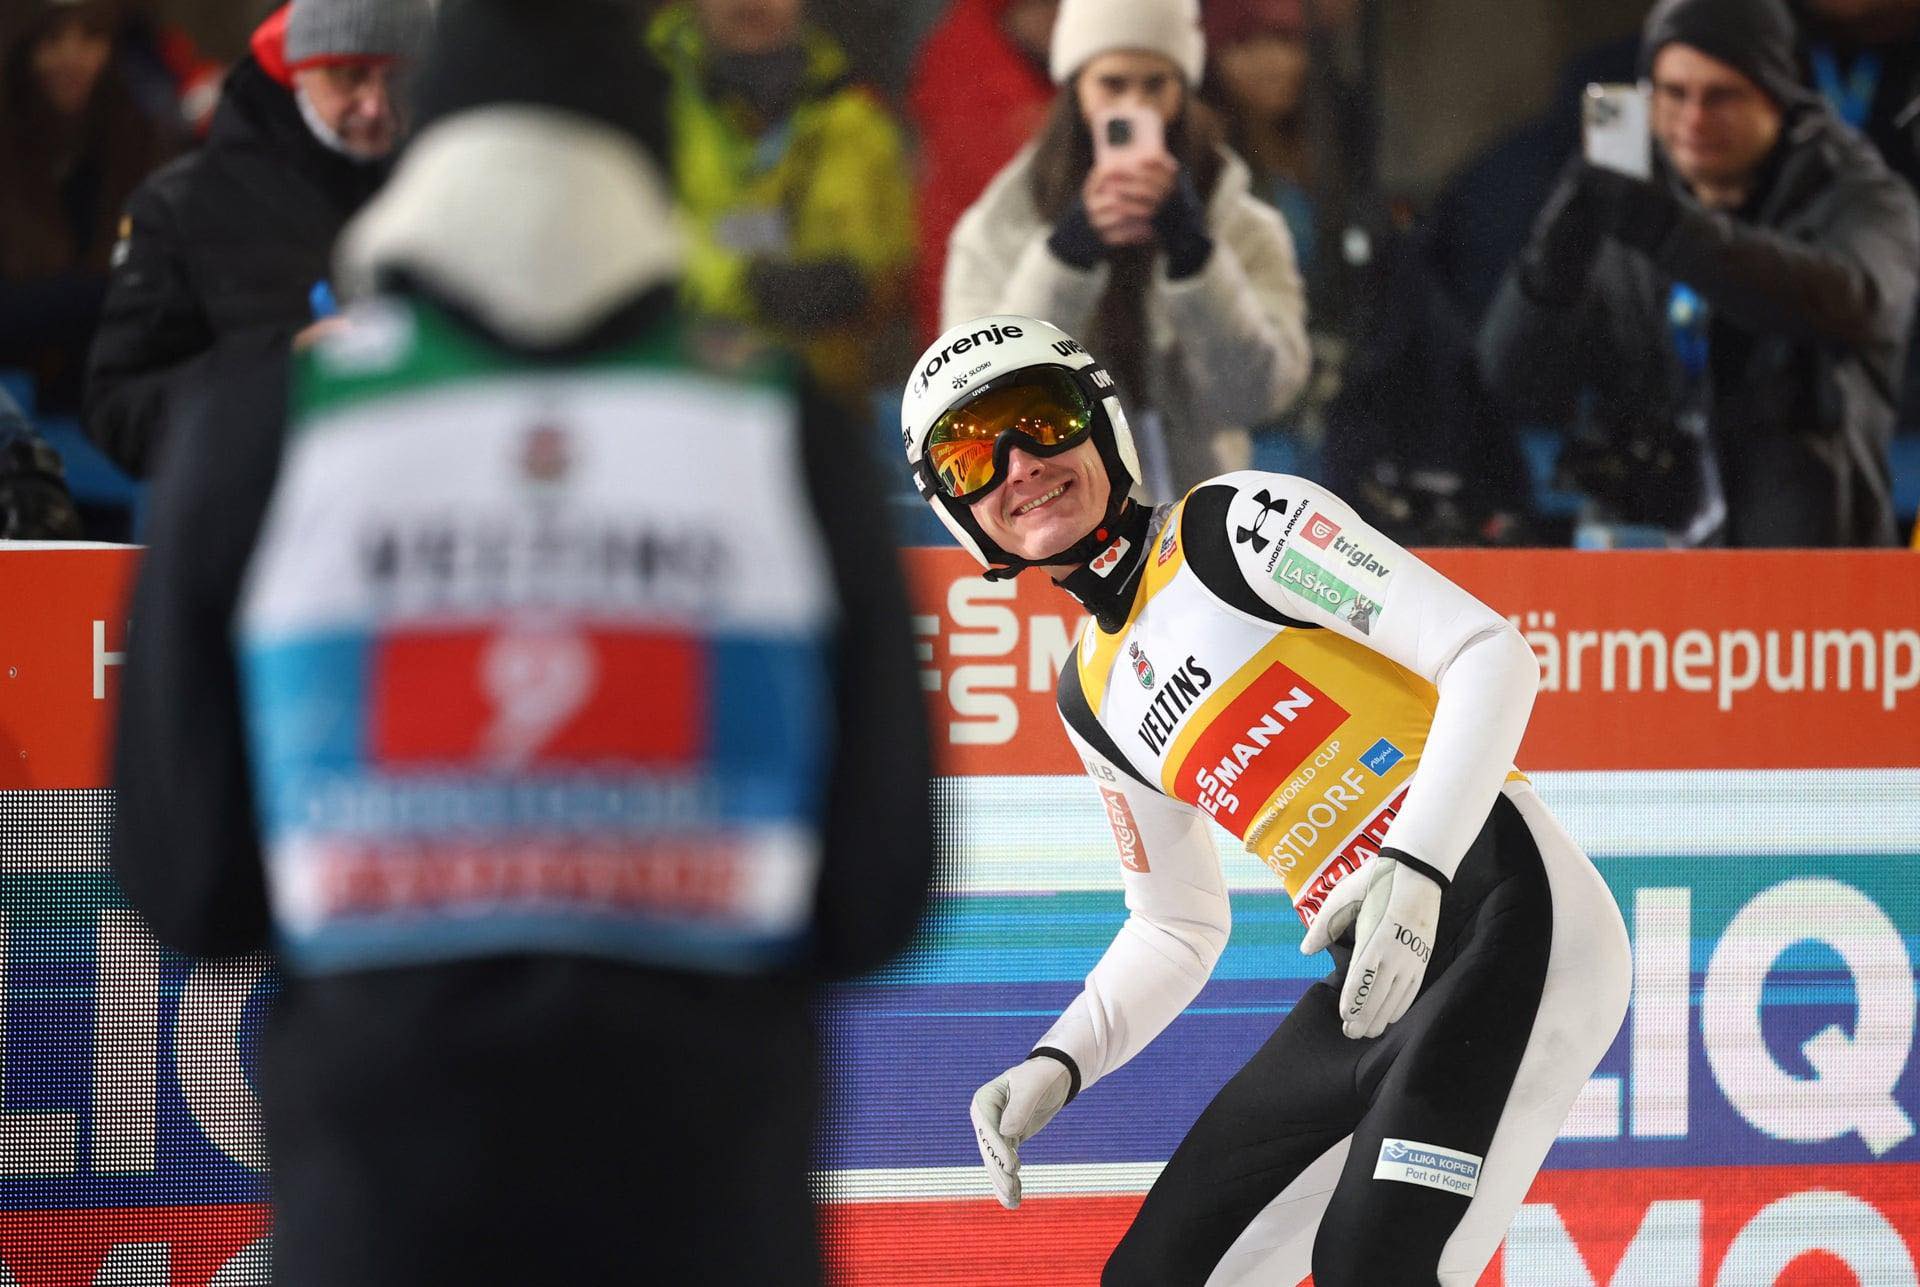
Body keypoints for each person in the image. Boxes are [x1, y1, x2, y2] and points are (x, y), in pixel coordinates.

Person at [108, 1, 934, 1282]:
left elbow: (187, 888)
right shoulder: (784, 429)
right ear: (651, 161)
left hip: (381, 1205)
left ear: (428, 154)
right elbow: (878, 900)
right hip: (709, 1201)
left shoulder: (261, 430)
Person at [904, 313, 1630, 1285]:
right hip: (1369, 979)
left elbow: (1489, 653)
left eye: (1040, 417)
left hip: (1510, 914)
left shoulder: (1234, 525)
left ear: (1100, 423)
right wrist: (1060, 1059)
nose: (1019, 464)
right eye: (970, 458)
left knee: (1374, 1267)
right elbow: (1176, 925)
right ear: (959, 513)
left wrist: (1416, 865)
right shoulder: (1089, 693)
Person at [1479, 0, 1920, 546]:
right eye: (1674, 93)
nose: (1693, 120)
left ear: (1777, 97)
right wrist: (1548, 266)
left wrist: (1670, 229)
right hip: (1642, 552)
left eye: (1721, 96)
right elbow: (1511, 382)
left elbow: (1853, 301)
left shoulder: (1864, 199)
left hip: (1809, 563)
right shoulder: (1624, 201)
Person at [942, 0, 1310, 501]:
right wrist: (1066, 256)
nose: (1136, 106)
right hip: (1055, 512)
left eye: (1156, 84)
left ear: (1184, 87)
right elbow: (976, 401)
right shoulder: (999, 227)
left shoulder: (1240, 226)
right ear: (1076, 87)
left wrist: (1195, 261)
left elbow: (1254, 398)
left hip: (1199, 517)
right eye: (1112, 84)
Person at [82, 0, 430, 478]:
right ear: (295, 70)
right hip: (257, 509)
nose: (375, 106)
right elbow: (119, 416)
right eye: (346, 76)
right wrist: (281, 369)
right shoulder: (181, 207)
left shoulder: (452, 190)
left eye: (397, 78)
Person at [648, 0, 915, 405]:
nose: (751, 4)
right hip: (679, 395)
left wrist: (860, 283)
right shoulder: (642, 94)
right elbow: (618, 240)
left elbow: (895, 255)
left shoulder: (854, 111)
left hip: (826, 401)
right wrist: (745, 282)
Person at [0, 0, 171, 418]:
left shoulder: (141, 142)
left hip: (106, 405)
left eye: (91, 38)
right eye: (52, 40)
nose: (72, 58)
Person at [907, 0, 1058, 343]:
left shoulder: (1033, 63)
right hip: (980, 306)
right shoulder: (968, 64)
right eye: (1049, 6)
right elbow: (1023, 183)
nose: (1060, 19)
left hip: (1009, 294)